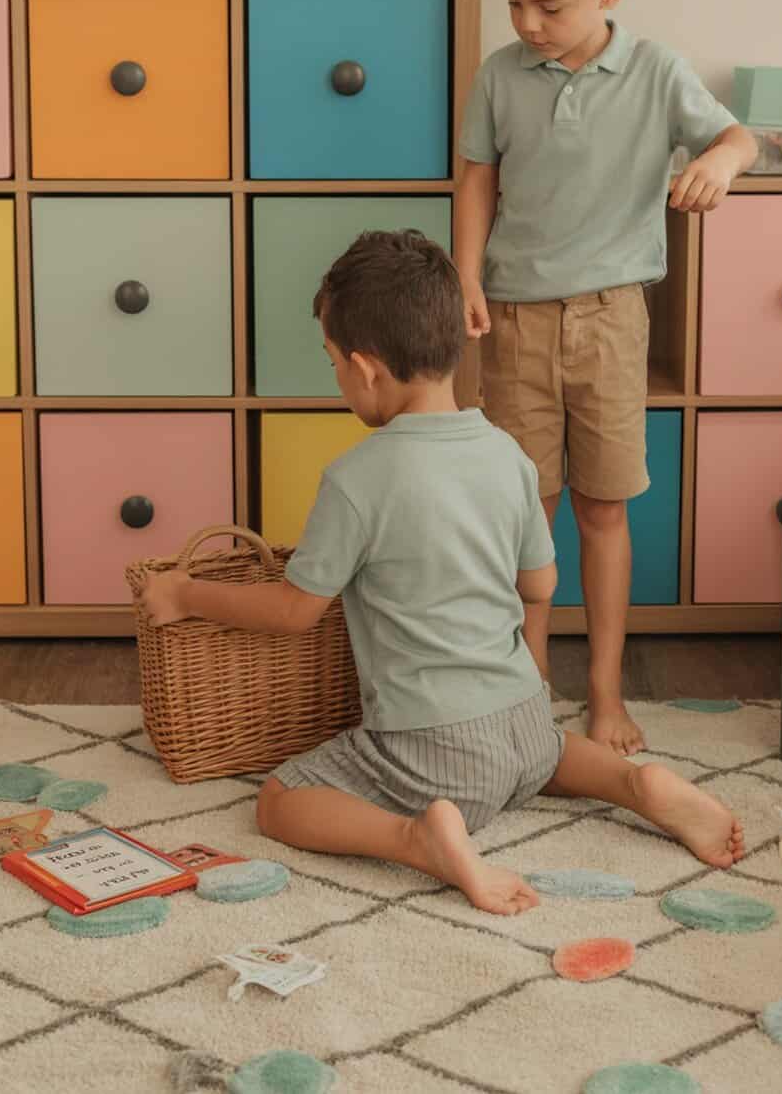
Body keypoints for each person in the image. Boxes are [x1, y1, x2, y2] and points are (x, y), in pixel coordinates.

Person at [142, 230, 744, 917]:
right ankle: (638, 787)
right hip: (523, 717)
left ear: (367, 369)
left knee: (280, 802)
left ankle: (415, 836)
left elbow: (293, 610)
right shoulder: (508, 455)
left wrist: (184, 593)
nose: (339, 380)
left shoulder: (357, 479)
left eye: (335, 364)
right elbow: (541, 588)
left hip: (435, 751)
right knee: (542, 754)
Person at [455, 0, 758, 754]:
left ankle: (605, 693)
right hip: (512, 322)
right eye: (515, 3)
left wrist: (723, 168)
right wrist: (468, 277)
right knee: (525, 512)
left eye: (548, 5)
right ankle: (527, 687)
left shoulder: (657, 70)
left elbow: (738, 138)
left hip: (613, 322)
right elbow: (477, 178)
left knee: (603, 511)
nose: (527, 24)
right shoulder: (500, 77)